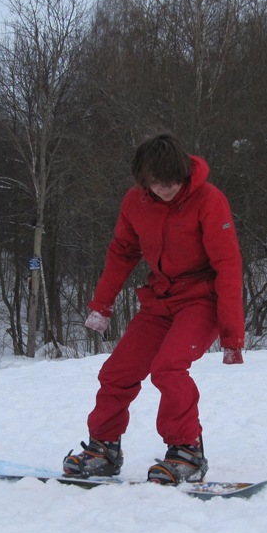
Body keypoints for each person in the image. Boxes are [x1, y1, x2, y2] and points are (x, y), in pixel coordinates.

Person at [63, 133, 245, 484]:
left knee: (168, 368)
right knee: (117, 372)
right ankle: (103, 448)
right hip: (160, 299)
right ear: (144, 179)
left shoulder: (209, 200)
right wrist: (102, 305)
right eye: (158, 182)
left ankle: (187, 452)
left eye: (174, 180)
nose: (167, 188)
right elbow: (122, 252)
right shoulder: (135, 202)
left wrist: (232, 334)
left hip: (201, 300)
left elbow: (228, 264)